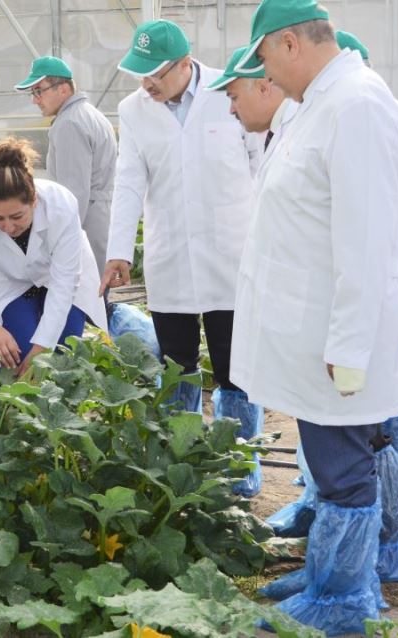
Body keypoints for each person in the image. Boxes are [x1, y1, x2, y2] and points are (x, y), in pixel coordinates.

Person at [230, 0, 398, 632]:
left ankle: (343, 599)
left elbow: (365, 241)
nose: (267, 81)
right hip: (310, 329)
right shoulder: (322, 107)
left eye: (266, 66)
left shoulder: (355, 106)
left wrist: (351, 345)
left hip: (337, 334)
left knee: (342, 467)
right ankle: (324, 577)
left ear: (288, 45)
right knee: (330, 456)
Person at [101, 19, 264, 496]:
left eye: (155, 74)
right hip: (172, 254)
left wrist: (266, 238)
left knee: (235, 368)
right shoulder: (133, 109)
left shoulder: (227, 91)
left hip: (232, 253)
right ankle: (183, 466)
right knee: (177, 365)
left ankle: (238, 473)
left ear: (185, 64)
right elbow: (129, 179)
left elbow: (259, 163)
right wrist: (117, 252)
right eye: (141, 75)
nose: (147, 84)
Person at [0, 137, 106, 374]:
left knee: (62, 356)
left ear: (34, 200)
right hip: (11, 281)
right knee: (18, 356)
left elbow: (64, 283)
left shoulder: (60, 205)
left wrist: (43, 347)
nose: (8, 227)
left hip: (63, 278)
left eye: (17, 217)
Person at [14, 56, 117, 277]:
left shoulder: (70, 123)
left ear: (63, 88)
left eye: (39, 91)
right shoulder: (90, 115)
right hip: (99, 219)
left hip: (85, 226)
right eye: (33, 93)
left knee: (82, 300)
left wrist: (60, 243)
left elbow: (73, 194)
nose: (35, 100)